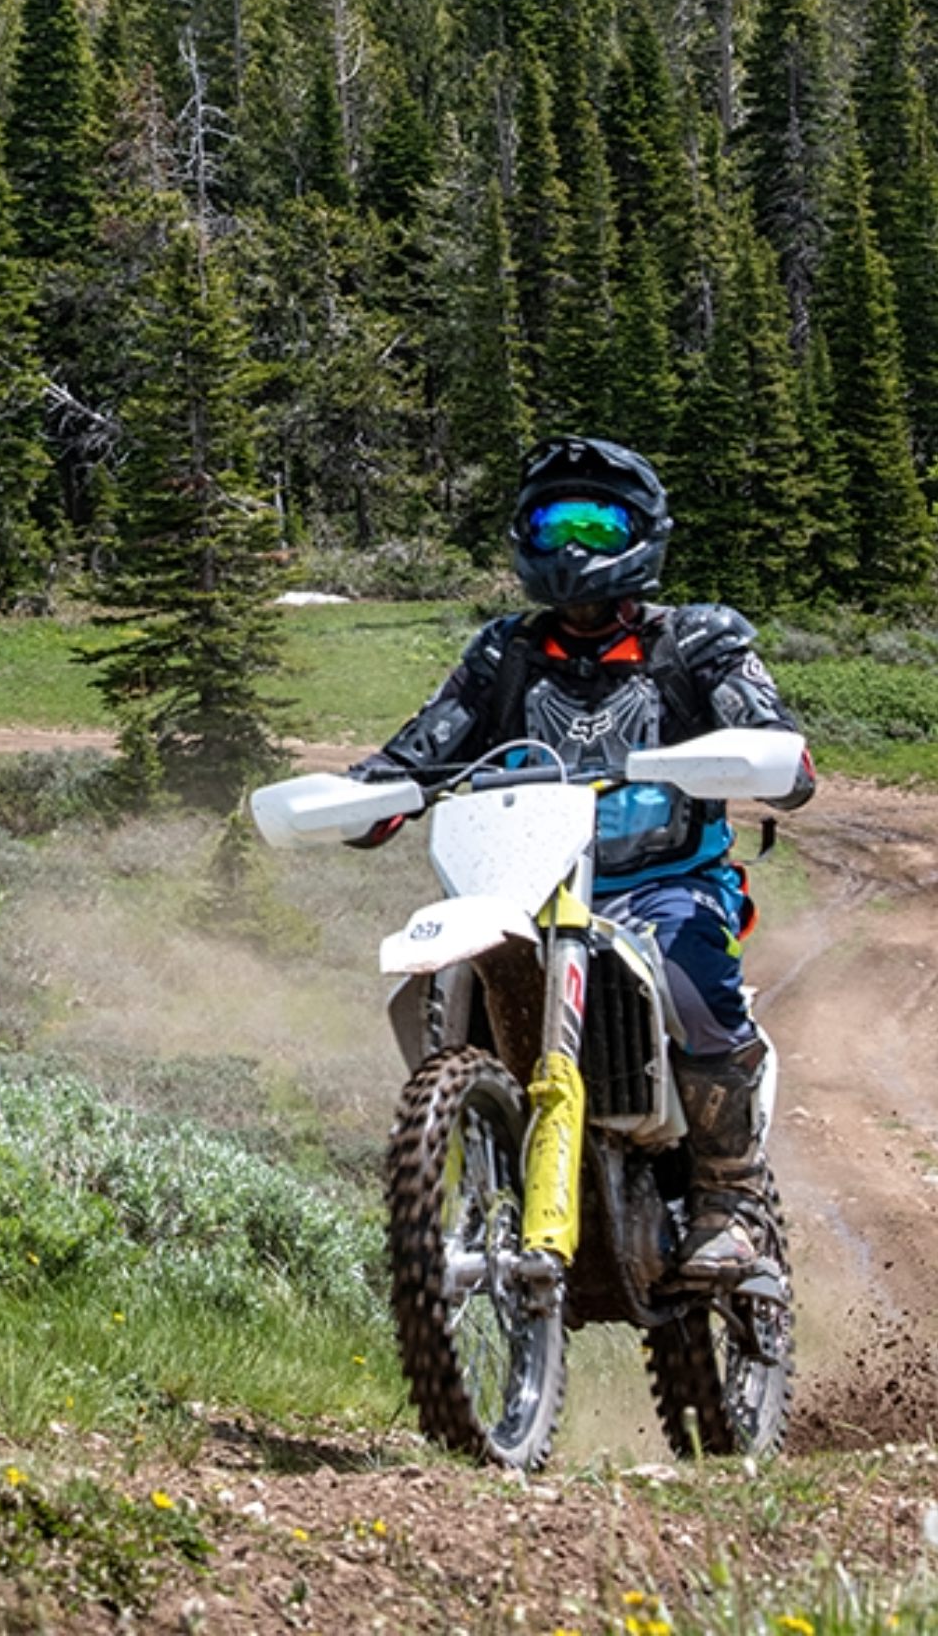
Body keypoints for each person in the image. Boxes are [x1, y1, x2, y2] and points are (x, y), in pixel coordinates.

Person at [350, 434, 816, 1286]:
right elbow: (424, 746)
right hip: (523, 891)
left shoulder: (700, 641)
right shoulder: (504, 654)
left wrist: (766, 757)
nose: (572, 548)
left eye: (597, 527)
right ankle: (472, 1157)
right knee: (435, 980)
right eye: (553, 522)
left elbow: (775, 739)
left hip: (667, 885)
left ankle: (729, 1197)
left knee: (692, 975)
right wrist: (369, 796)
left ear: (642, 534)